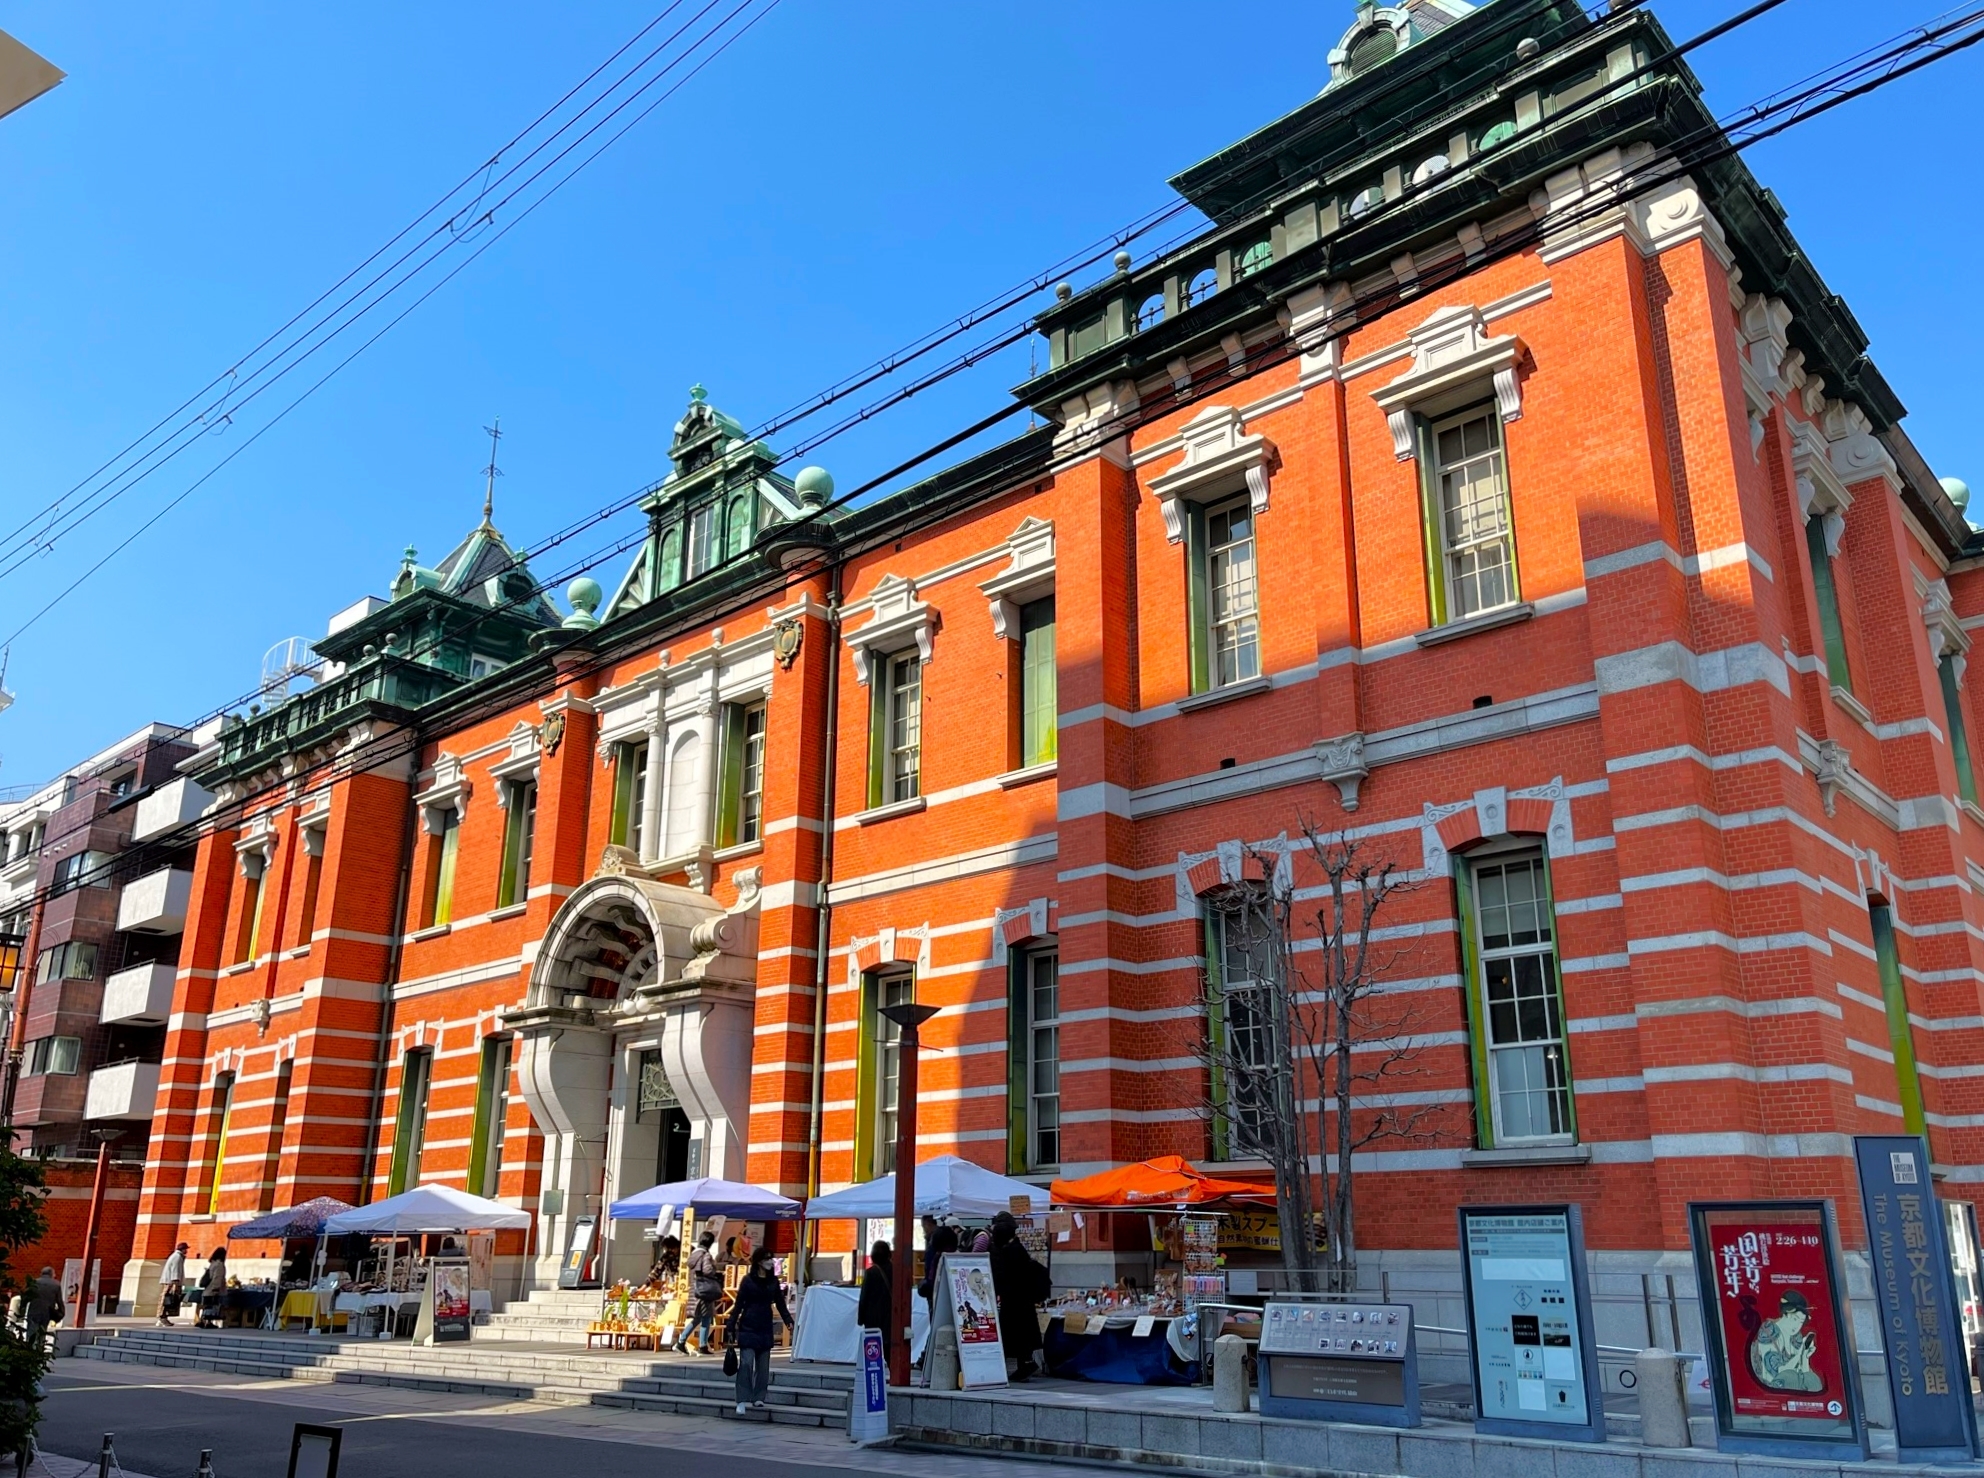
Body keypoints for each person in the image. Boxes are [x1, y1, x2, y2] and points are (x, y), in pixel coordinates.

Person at [726, 1246, 793, 1415]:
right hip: (748, 1325)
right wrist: (731, 1324)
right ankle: (741, 1399)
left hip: (765, 1326)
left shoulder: (773, 1282)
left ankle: (758, 1397)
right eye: (767, 1259)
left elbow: (780, 1303)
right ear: (758, 1262)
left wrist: (788, 1321)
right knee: (746, 1363)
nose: (770, 1262)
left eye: (771, 1258)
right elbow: (739, 1304)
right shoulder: (748, 1281)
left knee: (763, 1366)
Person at [988, 1212, 1050, 1382]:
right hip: (1020, 1298)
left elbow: (1006, 1274)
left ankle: (1025, 1363)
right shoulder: (1015, 1248)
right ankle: (1025, 1362)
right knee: (1021, 1333)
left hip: (1014, 1298)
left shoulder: (1007, 1250)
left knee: (1016, 1333)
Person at [674, 1230, 723, 1355]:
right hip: (705, 1290)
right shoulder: (705, 1255)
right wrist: (716, 1272)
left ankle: (682, 1342)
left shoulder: (693, 1255)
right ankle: (701, 1346)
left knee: (698, 1318)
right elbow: (708, 1270)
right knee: (706, 1318)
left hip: (695, 1291)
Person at [857, 1240, 894, 1366]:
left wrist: (860, 1318)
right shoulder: (896, 1270)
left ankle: (874, 1370)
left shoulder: (871, 1272)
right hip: (891, 1314)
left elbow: (864, 1297)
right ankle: (892, 1367)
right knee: (889, 1344)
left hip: (872, 1316)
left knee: (873, 1346)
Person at [23, 1268, 63, 1350]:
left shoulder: (34, 1282)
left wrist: (22, 1310)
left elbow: (25, 1297)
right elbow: (59, 1301)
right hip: (47, 1312)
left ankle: (30, 1350)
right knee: (42, 1332)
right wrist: (61, 1313)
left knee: (31, 1332)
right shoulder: (56, 1285)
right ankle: (40, 1350)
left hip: (33, 1311)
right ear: (51, 1274)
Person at [156, 1242, 189, 1327]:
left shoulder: (176, 1256)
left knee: (168, 1299)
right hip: (171, 1282)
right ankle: (162, 1317)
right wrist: (176, 1282)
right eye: (186, 1249)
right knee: (168, 1299)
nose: (187, 1251)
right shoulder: (177, 1257)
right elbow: (175, 1270)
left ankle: (163, 1317)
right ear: (183, 1249)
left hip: (170, 1281)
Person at [195, 1247, 228, 1329]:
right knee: (212, 1305)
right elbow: (218, 1277)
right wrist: (216, 1288)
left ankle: (203, 1320)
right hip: (213, 1289)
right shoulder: (220, 1265)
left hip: (207, 1289)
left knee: (206, 1305)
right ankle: (208, 1322)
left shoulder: (212, 1264)